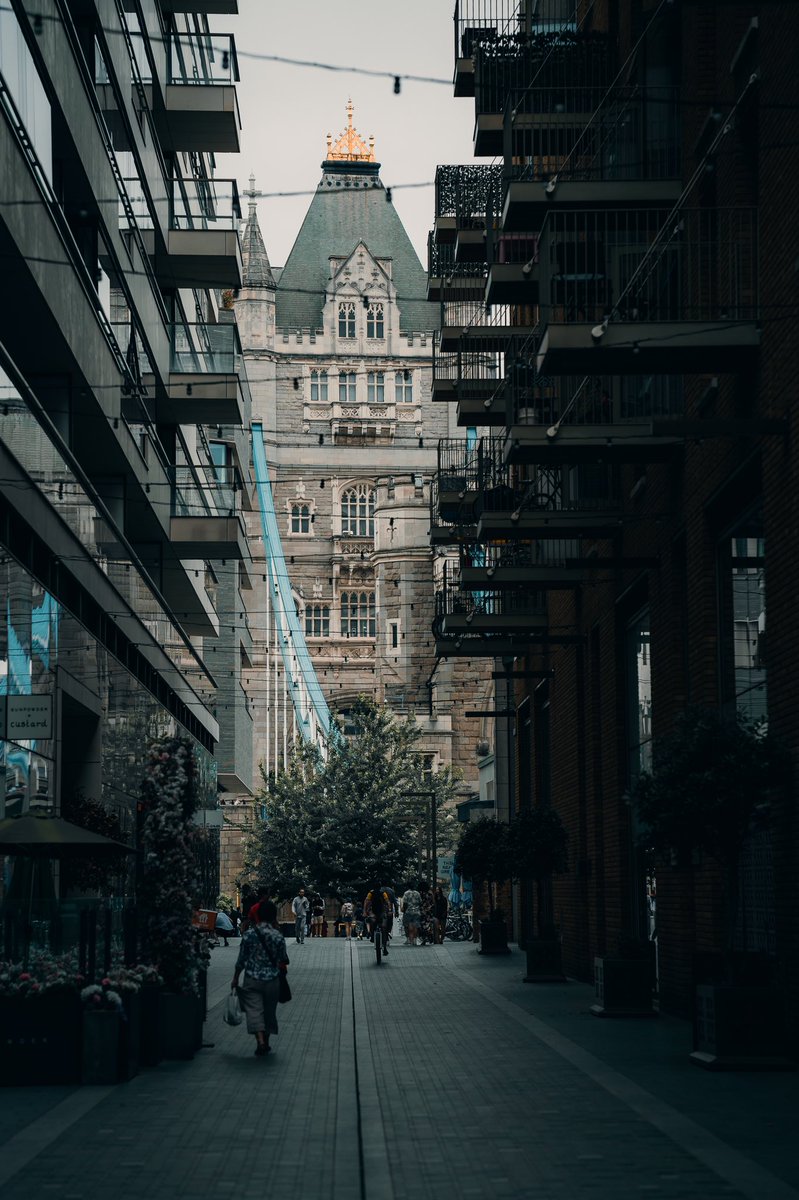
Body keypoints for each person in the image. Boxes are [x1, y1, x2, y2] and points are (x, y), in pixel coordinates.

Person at [231, 899, 289, 1057]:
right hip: (272, 980)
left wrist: (236, 977)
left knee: (254, 1010)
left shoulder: (250, 934)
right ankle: (267, 1042)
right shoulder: (277, 935)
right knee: (269, 1012)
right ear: (273, 916)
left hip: (252, 978)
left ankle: (260, 1041)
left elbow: (241, 959)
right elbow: (283, 958)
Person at [363, 881, 396, 955]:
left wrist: (365, 911)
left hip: (373, 912)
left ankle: (371, 936)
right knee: (384, 928)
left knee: (372, 922)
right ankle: (384, 946)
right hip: (382, 911)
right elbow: (388, 902)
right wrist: (390, 910)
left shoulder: (370, 893)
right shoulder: (383, 893)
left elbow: (367, 902)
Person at [401, 881, 422, 946]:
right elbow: (420, 902)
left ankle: (411, 940)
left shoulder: (406, 893)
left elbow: (404, 903)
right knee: (415, 926)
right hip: (416, 911)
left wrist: (404, 910)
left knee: (409, 926)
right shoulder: (417, 893)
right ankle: (415, 940)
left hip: (408, 911)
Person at [419, 881, 435, 945]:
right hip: (429, 911)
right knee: (428, 924)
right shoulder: (430, 893)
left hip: (422, 912)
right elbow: (433, 903)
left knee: (422, 925)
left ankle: (424, 938)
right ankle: (429, 935)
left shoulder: (420, 893)